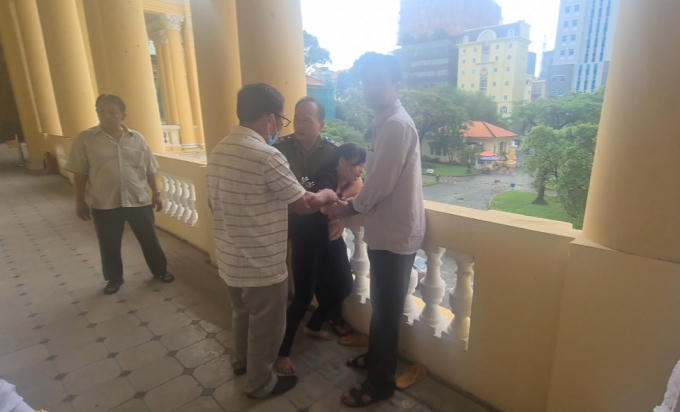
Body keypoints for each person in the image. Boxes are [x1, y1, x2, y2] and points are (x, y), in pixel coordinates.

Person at [206, 83, 338, 399]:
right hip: (261, 264)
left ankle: (240, 362)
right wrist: (327, 194)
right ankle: (259, 384)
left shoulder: (220, 149)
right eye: (282, 119)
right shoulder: (267, 156)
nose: (282, 126)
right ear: (270, 119)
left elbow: (213, 202)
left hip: (230, 258)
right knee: (266, 328)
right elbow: (304, 204)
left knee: (241, 314)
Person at [324, 53, 426, 407]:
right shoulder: (384, 122)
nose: (369, 89)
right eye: (366, 83)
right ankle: (375, 360)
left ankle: (380, 383)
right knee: (382, 306)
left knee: (386, 313)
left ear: (396, 86)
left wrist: (346, 208)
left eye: (377, 82)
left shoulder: (397, 125)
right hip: (387, 231)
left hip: (397, 235)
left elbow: (380, 183)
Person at [65, 94, 174, 295]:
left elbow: (150, 168)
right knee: (109, 245)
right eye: (101, 111)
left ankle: (160, 270)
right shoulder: (85, 140)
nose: (106, 116)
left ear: (123, 115)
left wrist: (157, 193)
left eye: (112, 112)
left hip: (138, 200)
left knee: (149, 239)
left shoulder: (137, 139)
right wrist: (79, 201)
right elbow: (79, 174)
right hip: (105, 202)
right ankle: (114, 279)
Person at [276, 143, 365, 376]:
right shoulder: (325, 176)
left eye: (363, 165)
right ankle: (282, 352)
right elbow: (325, 205)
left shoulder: (348, 180)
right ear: (341, 162)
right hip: (307, 240)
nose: (361, 169)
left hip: (330, 239)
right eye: (357, 164)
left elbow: (360, 186)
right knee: (303, 297)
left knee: (345, 285)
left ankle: (314, 325)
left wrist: (342, 211)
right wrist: (338, 205)